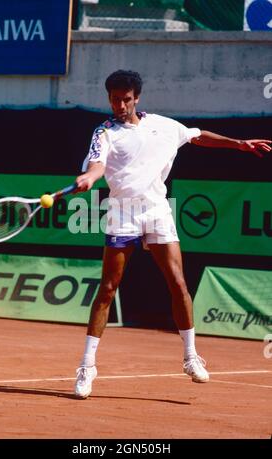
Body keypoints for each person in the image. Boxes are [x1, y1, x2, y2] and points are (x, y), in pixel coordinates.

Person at [73, 70, 271, 399]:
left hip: (157, 211)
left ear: (137, 98)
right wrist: (90, 178)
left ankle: (191, 357)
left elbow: (197, 136)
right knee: (108, 288)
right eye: (113, 99)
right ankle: (87, 366)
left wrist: (238, 144)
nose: (119, 105)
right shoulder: (104, 133)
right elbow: (96, 165)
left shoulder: (164, 126)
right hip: (122, 213)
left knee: (178, 282)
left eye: (125, 99)